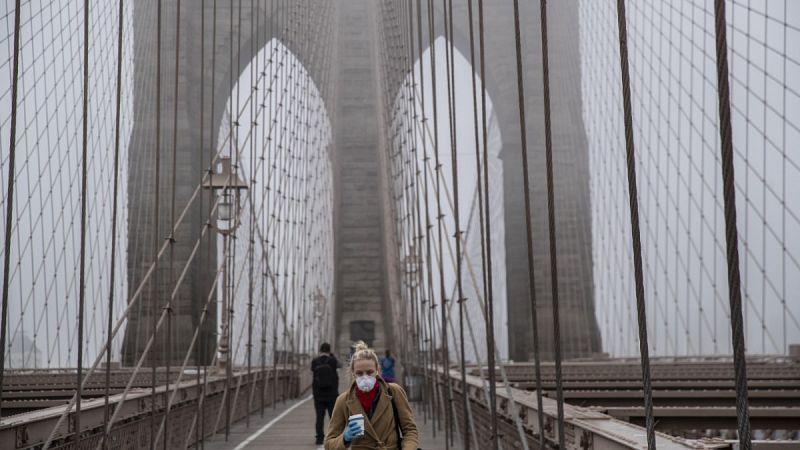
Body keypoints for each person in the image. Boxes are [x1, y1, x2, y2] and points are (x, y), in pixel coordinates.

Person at [325, 341, 418, 450]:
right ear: (353, 373)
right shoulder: (343, 401)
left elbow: (409, 430)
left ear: (377, 370)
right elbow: (329, 444)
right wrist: (345, 438)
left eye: (369, 372)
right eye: (359, 373)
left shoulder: (394, 392)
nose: (365, 377)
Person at [312, 342, 341, 445]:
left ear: (320, 350)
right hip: (331, 394)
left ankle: (319, 438)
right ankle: (334, 437)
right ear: (329, 350)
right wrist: (332, 356)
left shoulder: (315, 361)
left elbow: (313, 372)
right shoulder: (333, 360)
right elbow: (340, 365)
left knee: (319, 416)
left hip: (318, 394)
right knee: (333, 417)